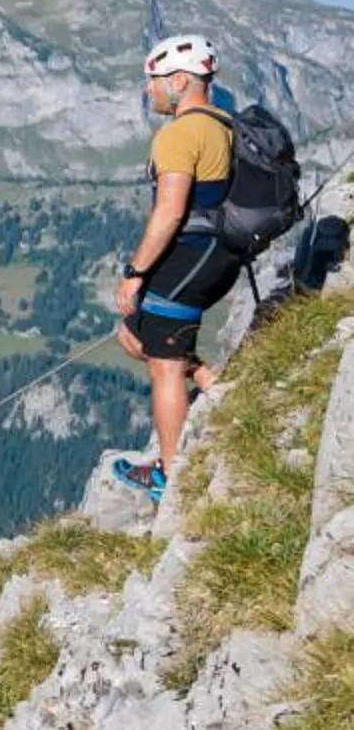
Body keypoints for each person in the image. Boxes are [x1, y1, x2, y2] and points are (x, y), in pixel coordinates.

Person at [112, 35, 240, 502]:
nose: (150, 91)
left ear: (180, 80)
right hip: (217, 256)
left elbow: (169, 212)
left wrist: (135, 272)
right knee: (133, 335)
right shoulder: (223, 123)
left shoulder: (180, 134)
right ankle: (212, 383)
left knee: (164, 367)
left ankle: (171, 479)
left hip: (187, 256)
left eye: (155, 82)